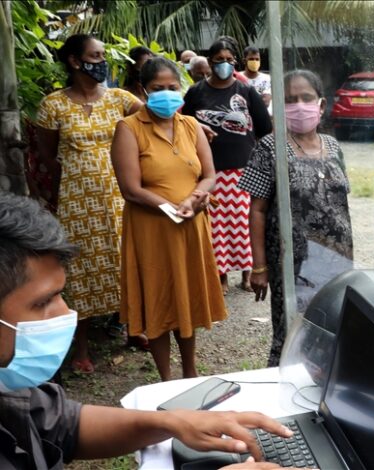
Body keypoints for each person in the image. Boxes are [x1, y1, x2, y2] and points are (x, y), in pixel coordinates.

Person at [0, 192, 296, 470]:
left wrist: (171, 423)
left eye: (59, 295)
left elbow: (63, 424)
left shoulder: (10, 392)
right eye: (41, 302)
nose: (65, 313)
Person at [111, 57, 228, 382]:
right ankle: (166, 378)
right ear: (143, 90)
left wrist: (193, 199)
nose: (166, 94)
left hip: (191, 226)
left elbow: (209, 176)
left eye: (172, 88)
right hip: (152, 230)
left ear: (182, 88)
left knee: (186, 297)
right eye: (157, 89)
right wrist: (171, 207)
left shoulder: (191, 126)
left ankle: (190, 371)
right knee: (158, 298)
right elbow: (131, 189)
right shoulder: (129, 129)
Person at [35, 34, 143, 374]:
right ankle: (81, 347)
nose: (102, 61)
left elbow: (159, 121)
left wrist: (197, 129)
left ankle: (134, 327)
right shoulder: (53, 105)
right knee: (79, 269)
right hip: (77, 202)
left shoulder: (121, 100)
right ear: (74, 61)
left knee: (126, 258)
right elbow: (48, 156)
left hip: (119, 195)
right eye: (95, 55)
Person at [238, 69, 353, 367]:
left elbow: (341, 203)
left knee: (335, 326)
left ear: (322, 105)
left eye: (306, 98)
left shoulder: (334, 146)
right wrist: (259, 267)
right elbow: (258, 210)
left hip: (336, 259)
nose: (299, 105)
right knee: (293, 333)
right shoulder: (269, 148)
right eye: (290, 100)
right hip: (292, 263)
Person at [183, 38, 272, 295]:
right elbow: (184, 126)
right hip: (209, 172)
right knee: (216, 227)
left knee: (244, 225)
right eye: (218, 59)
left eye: (229, 59)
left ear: (236, 61)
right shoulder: (197, 92)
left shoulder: (245, 91)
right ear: (210, 61)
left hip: (243, 169)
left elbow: (264, 129)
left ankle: (247, 275)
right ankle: (220, 278)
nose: (224, 64)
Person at [240, 46, 272, 114]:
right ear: (244, 61)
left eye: (257, 59)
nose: (255, 62)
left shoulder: (268, 79)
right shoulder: (237, 78)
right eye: (251, 59)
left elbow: (266, 102)